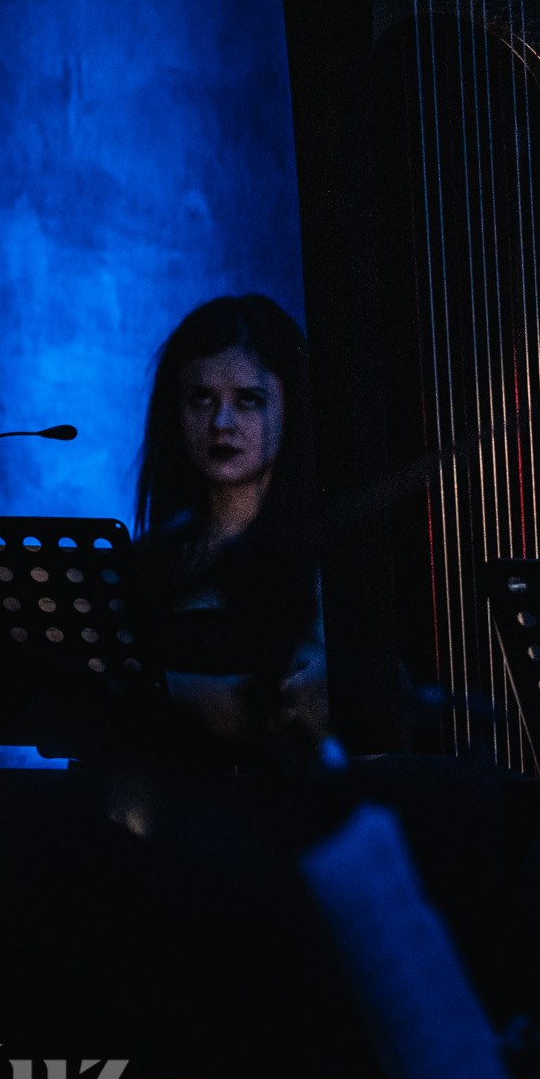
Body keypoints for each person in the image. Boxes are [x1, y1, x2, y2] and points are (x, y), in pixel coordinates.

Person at [133, 294, 325, 744]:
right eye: (200, 398)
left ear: (290, 407)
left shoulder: (325, 556)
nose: (221, 422)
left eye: (248, 400)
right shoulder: (152, 560)